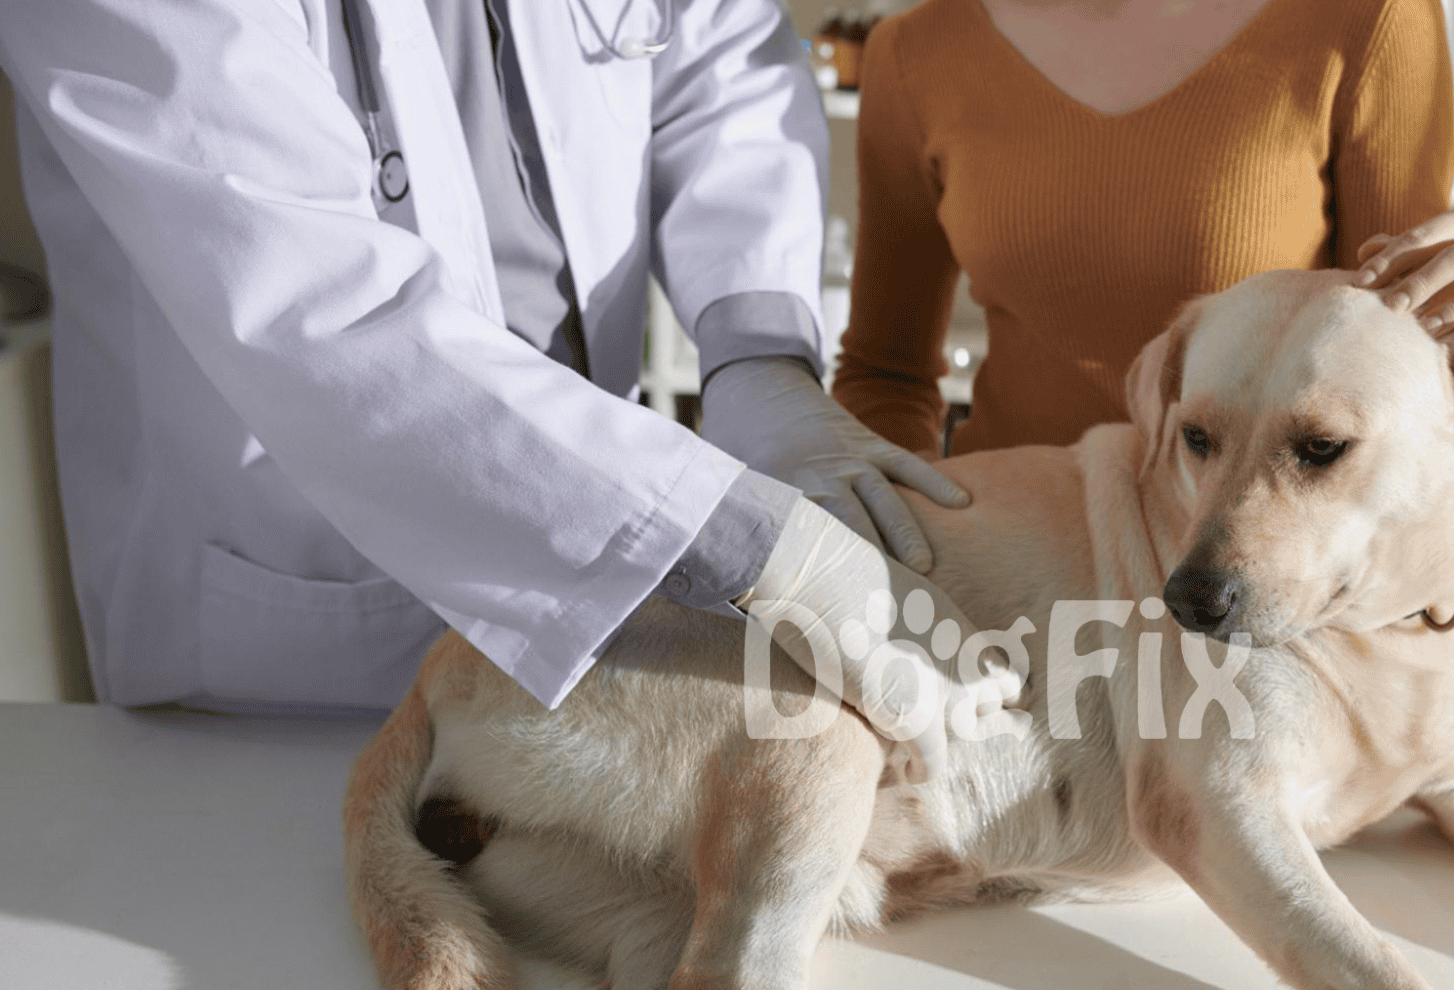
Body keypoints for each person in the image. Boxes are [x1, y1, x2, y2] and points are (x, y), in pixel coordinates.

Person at [0, 0, 1010, 778]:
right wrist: (733, 537)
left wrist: (756, 356)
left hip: (597, 632)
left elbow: (721, 53)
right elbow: (321, 311)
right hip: (288, 676)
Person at [832, 0, 1454, 457]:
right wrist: (910, 552)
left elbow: (1402, 354)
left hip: (1247, 589)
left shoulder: (1366, 16)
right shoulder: (914, 52)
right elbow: (883, 376)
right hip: (1009, 568)